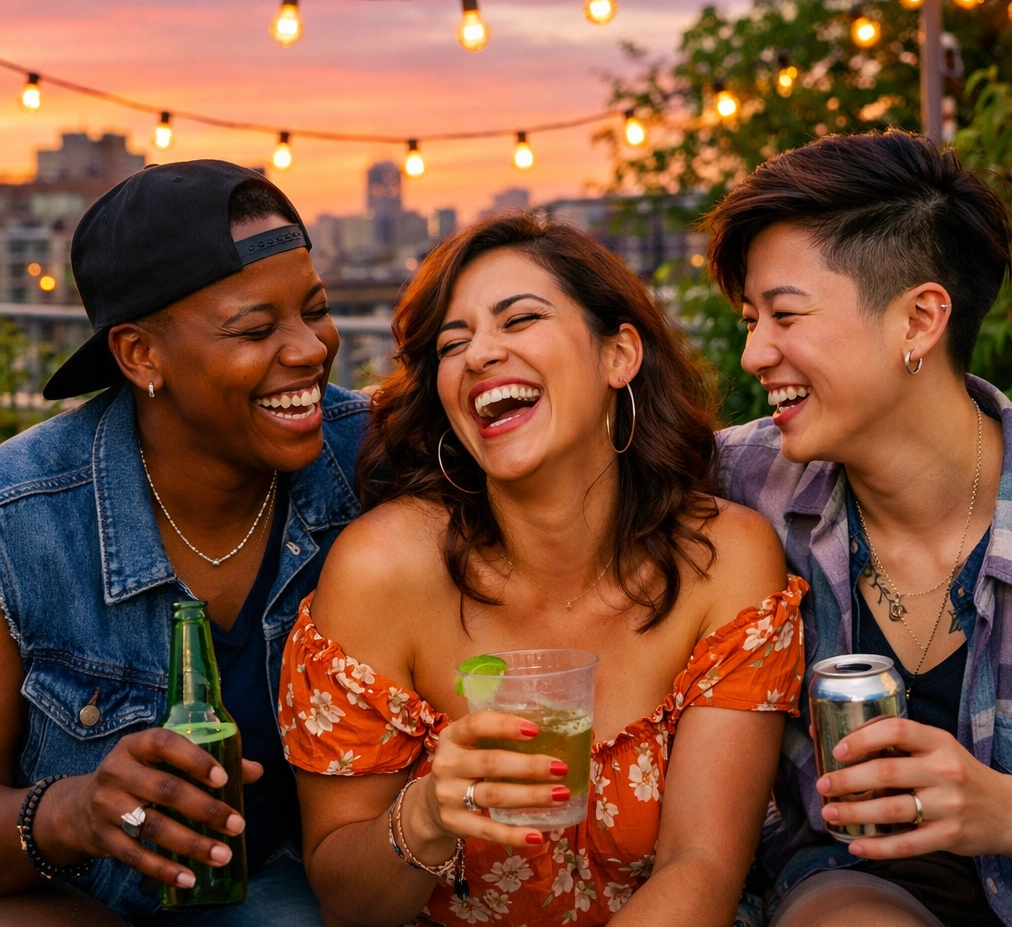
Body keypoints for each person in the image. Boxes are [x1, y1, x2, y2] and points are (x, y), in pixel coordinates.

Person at [278, 213, 806, 927]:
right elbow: (347, 899)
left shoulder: (724, 560)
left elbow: (701, 863)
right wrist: (428, 814)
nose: (479, 355)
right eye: (452, 344)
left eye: (518, 319)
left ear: (619, 356)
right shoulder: (383, 572)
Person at [0, 160, 368, 926]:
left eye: (317, 310)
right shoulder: (22, 517)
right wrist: (74, 812)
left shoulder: (374, 457)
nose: (308, 349)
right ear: (140, 356)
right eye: (256, 329)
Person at [704, 129, 1012, 927]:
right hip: (843, 891)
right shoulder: (736, 484)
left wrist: (1007, 812)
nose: (753, 354)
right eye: (749, 320)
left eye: (784, 315)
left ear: (919, 320)